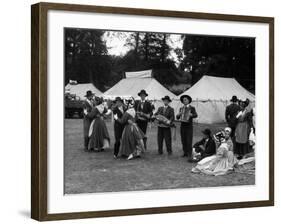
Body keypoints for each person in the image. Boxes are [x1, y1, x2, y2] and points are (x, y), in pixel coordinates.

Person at [176, 95, 198, 160]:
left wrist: (192, 115)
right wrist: (178, 115)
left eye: (185, 99)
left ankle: (189, 153)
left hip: (189, 126)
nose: (184, 101)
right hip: (182, 126)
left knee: (189, 140)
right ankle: (185, 152)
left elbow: (196, 115)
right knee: (183, 140)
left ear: (188, 100)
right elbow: (177, 117)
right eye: (183, 100)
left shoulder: (192, 108)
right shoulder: (181, 108)